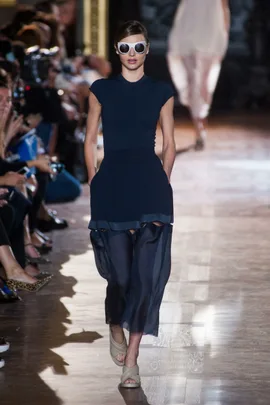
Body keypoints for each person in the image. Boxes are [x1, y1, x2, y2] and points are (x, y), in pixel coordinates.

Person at [84, 20, 175, 388]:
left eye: (139, 47)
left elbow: (169, 143)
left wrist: (162, 180)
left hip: (150, 187)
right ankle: (114, 324)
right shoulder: (100, 89)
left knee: (145, 275)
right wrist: (94, 179)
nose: (132, 54)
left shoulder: (161, 91)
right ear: (117, 52)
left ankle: (132, 362)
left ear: (148, 50)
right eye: (125, 48)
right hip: (112, 186)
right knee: (120, 276)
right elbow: (90, 139)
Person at [167, 0, 230, 150]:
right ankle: (199, 128)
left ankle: (201, 124)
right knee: (192, 82)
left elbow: (224, 6)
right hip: (188, 31)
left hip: (210, 33)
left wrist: (225, 32)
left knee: (204, 85)